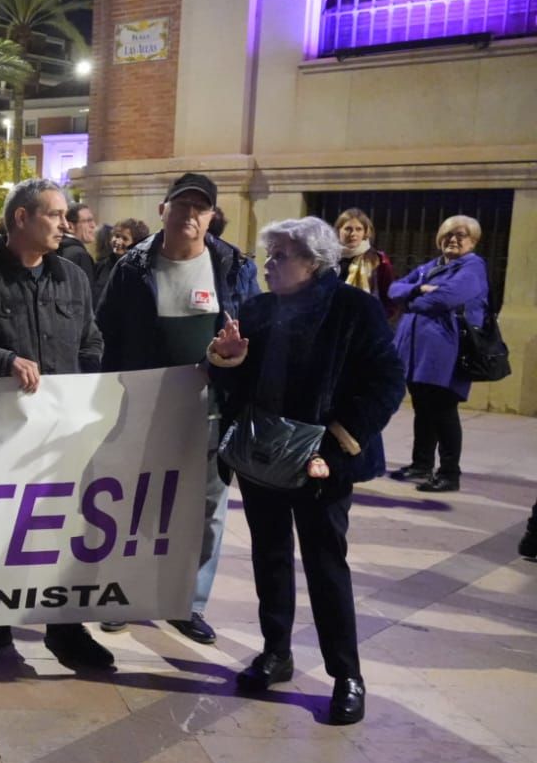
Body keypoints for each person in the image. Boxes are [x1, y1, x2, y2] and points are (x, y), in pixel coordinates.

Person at [207, 218, 405, 725]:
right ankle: (277, 652)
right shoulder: (258, 307)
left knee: (325, 564)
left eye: (281, 257)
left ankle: (347, 675)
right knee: (269, 558)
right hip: (262, 457)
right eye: (269, 256)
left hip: (322, 462)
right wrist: (226, 361)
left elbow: (386, 381)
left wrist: (339, 443)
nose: (269, 266)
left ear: (314, 262)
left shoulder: (353, 308)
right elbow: (234, 383)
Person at [0, 179, 109, 669]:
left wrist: (82, 387)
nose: (64, 224)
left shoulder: (73, 278)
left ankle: (65, 628)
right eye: (54, 215)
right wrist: (2, 360)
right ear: (21, 219)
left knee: (64, 529)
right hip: (1, 433)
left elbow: (91, 340)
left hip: (63, 435)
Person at [97, 173, 256, 644]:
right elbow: (105, 334)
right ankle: (119, 593)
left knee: (206, 506)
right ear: (163, 211)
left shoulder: (231, 266)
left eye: (199, 208)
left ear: (211, 217)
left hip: (210, 407)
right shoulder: (132, 268)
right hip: (141, 404)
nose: (189, 215)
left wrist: (234, 363)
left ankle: (188, 602)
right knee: (132, 502)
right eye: (181, 205)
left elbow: (254, 331)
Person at [387, 215, 489, 494]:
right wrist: (417, 289)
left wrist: (411, 300)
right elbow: (394, 289)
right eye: (448, 234)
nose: (453, 240)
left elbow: (445, 298)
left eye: (461, 235)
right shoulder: (432, 267)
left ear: (473, 241)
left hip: (446, 352)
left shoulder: (472, 267)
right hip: (418, 353)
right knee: (423, 409)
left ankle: (449, 473)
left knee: (443, 412)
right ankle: (421, 465)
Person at [333, 208, 396, 316]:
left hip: (364, 322)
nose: (353, 234)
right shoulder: (328, 258)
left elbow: (389, 295)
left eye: (359, 229)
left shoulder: (377, 260)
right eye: (348, 229)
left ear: (365, 232)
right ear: (339, 230)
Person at [92, 218, 149, 306]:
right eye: (117, 236)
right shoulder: (101, 266)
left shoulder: (140, 271)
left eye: (125, 239)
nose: (118, 241)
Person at [55, 201, 97, 283]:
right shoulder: (80, 255)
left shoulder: (56, 248)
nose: (93, 225)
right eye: (88, 221)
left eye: (92, 220)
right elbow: (85, 293)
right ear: (70, 227)